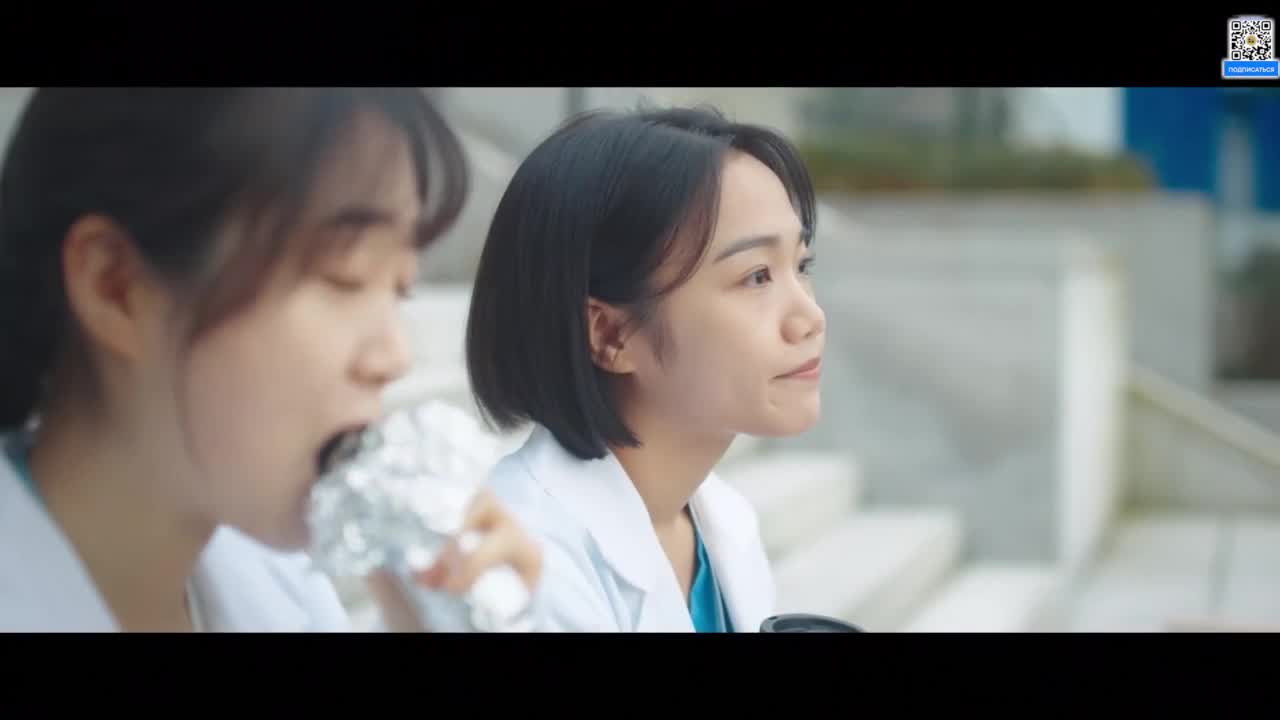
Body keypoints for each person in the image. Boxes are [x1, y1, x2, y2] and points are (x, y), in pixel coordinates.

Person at [0, 88, 542, 632]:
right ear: (117, 287)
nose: (393, 357)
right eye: (345, 276)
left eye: (400, 289)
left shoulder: (281, 586)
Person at [466, 105, 826, 632]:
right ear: (610, 334)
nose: (810, 318)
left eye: (801, 265)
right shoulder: (513, 566)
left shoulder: (722, 522)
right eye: (756, 276)